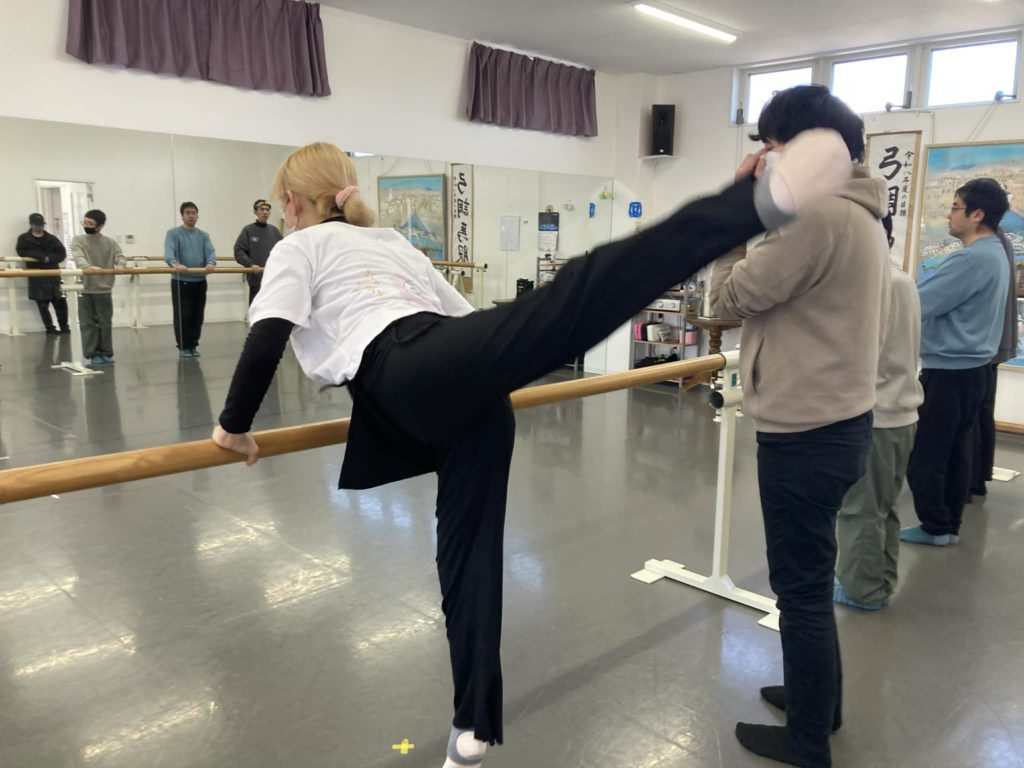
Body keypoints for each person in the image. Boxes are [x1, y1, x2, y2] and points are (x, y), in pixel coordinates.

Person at [210, 134, 853, 768]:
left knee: (465, 557)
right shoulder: (388, 241)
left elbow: (269, 334)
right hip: (465, 384)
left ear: (291, 201)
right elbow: (461, 317)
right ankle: (470, 725)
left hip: (415, 373)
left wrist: (232, 425)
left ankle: (472, 728)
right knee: (474, 548)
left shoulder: (298, 246)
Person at [708, 85, 890, 768]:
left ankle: (809, 742)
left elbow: (726, 299)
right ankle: (822, 704)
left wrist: (737, 211)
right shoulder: (861, 213)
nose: (767, 159)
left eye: (773, 146)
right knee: (810, 579)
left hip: (805, 431)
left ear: (810, 148)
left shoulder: (818, 216)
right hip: (839, 421)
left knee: (802, 589)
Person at [902, 178, 1010, 546]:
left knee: (928, 454)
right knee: (956, 451)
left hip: (950, 372)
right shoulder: (996, 252)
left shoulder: (971, 259)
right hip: (974, 371)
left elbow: (917, 303)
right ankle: (947, 525)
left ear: (977, 214)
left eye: (955, 207)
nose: (949, 215)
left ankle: (935, 525)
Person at [834, 215, 923, 611]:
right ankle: (880, 579)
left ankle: (861, 590)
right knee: (883, 507)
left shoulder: (871, 285)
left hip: (877, 414)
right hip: (901, 413)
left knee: (860, 509)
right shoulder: (902, 280)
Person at [966, 227, 1018, 498]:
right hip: (992, 342)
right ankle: (978, 475)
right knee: (981, 411)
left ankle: (972, 477)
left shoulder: (989, 246)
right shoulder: (999, 244)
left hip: (983, 345)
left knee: (973, 414)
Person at [70, 209, 127, 366]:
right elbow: (78, 256)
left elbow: (120, 256)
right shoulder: (78, 240)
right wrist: (87, 267)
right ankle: (92, 353)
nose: (86, 226)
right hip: (85, 288)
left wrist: (121, 265)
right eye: (85, 222)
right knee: (87, 323)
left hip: (104, 289)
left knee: (105, 323)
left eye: (90, 224)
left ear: (100, 226)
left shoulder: (110, 243)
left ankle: (106, 352)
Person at [164, 201, 216, 358]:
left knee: (197, 316)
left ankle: (193, 344)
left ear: (197, 215)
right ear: (182, 216)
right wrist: (175, 264)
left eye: (194, 213)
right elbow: (169, 253)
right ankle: (184, 346)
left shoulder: (203, 235)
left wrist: (210, 263)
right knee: (183, 315)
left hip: (200, 281)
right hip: (181, 281)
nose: (191, 215)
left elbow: (211, 252)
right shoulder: (173, 233)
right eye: (188, 213)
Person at [16, 213, 69, 335]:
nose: (39, 227)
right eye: (37, 225)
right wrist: (40, 257)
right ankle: (50, 328)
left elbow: (62, 253)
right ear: (31, 224)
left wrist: (49, 258)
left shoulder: (52, 238)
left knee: (60, 302)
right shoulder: (24, 239)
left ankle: (64, 327)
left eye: (41, 225)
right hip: (37, 275)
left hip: (53, 274)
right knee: (42, 305)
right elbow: (22, 252)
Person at [234, 199, 283, 305]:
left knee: (272, 309)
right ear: (255, 212)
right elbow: (239, 251)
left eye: (267, 210)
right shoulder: (248, 230)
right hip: (256, 279)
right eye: (262, 209)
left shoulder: (275, 231)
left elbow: (283, 251)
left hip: (273, 279)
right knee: (256, 309)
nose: (265, 212)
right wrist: (250, 264)